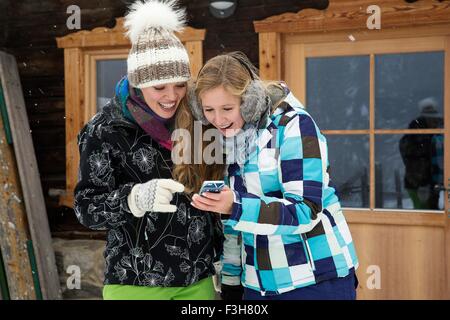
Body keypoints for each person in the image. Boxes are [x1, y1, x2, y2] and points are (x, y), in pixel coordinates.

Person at [74, 0, 222, 300]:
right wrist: (132, 198)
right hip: (135, 282)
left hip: (198, 278)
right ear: (138, 84)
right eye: (160, 88)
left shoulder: (196, 119)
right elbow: (86, 209)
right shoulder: (105, 130)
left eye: (180, 85)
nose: (172, 96)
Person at [182, 52, 359, 300]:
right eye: (209, 110)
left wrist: (236, 206)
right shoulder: (229, 139)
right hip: (258, 285)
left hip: (314, 280)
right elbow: (234, 227)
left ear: (249, 101)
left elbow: (306, 210)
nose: (218, 119)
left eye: (227, 108)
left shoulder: (294, 125)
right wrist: (232, 282)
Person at [399, 97, 444, 210]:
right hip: (419, 184)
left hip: (432, 183)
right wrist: (422, 184)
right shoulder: (416, 135)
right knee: (424, 214)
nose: (434, 121)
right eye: (431, 118)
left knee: (432, 213)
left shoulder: (436, 133)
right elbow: (414, 161)